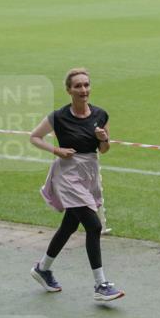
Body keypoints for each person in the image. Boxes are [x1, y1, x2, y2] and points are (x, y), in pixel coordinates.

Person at [28, 68, 124, 302]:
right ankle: (101, 284)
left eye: (86, 85)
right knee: (93, 226)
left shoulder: (101, 115)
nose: (83, 90)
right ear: (69, 90)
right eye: (78, 86)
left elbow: (104, 150)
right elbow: (34, 137)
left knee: (70, 225)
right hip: (67, 176)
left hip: (89, 174)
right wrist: (56, 150)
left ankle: (43, 268)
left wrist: (104, 139)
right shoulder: (59, 117)